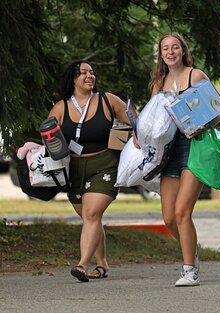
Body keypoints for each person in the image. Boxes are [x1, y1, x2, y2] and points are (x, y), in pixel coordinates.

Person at [49, 60, 132, 282]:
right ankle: (102, 263)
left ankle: (82, 265)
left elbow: (136, 120)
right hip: (74, 169)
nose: (89, 75)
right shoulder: (61, 108)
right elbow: (48, 139)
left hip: (104, 164)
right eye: (83, 72)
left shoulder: (108, 100)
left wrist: (127, 140)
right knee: (90, 219)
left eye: (92, 72)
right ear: (72, 79)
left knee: (92, 214)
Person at [149, 32, 220, 286]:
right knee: (168, 217)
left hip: (194, 145)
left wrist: (201, 124)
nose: (170, 52)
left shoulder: (196, 76)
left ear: (182, 50)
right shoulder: (160, 83)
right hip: (169, 150)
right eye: (165, 48)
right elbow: (151, 121)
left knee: (182, 212)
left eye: (175, 47)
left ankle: (189, 269)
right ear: (161, 54)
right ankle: (192, 249)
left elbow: (217, 114)